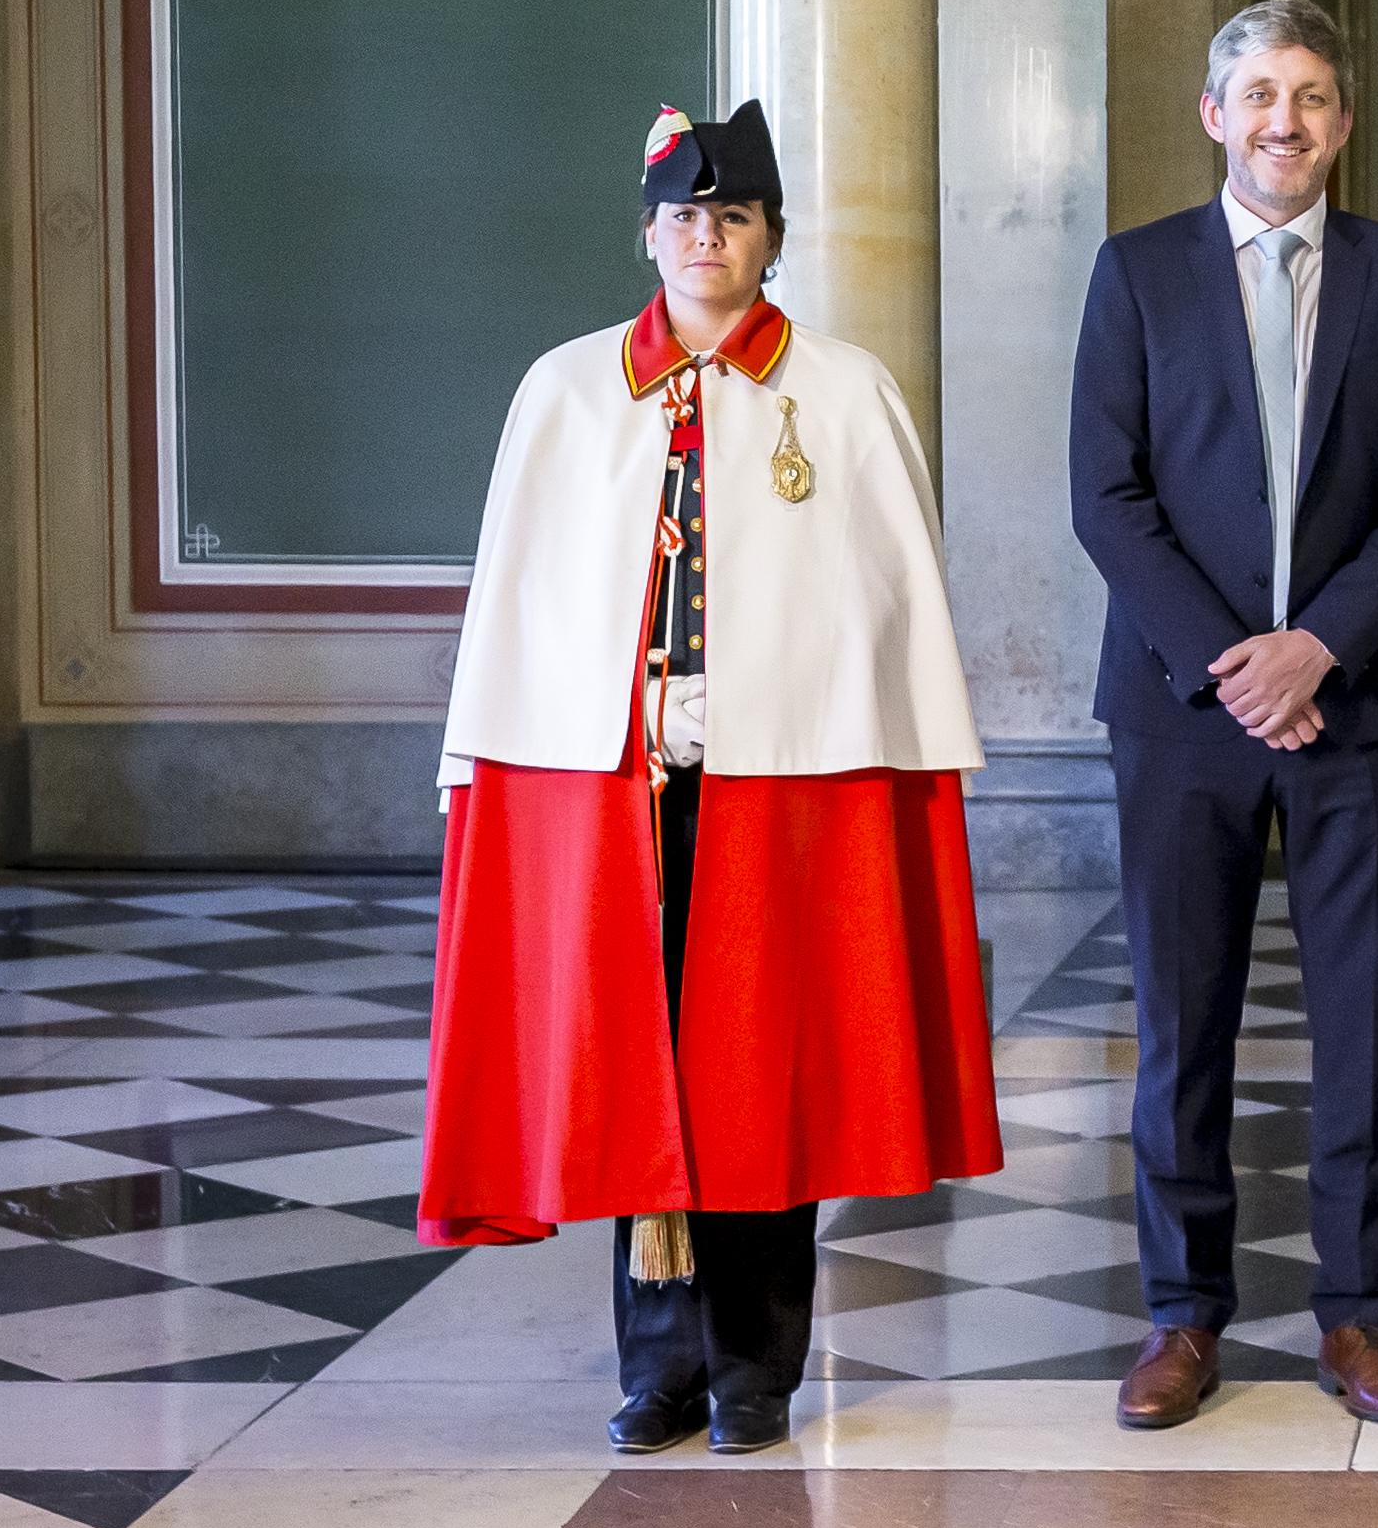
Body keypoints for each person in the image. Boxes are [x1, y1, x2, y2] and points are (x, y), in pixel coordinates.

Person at [421, 98, 1002, 1456]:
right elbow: (519, 602)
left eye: (733, 216)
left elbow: (891, 606)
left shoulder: (843, 391)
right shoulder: (564, 392)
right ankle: (656, 1368)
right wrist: (486, 767)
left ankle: (756, 1368)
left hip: (784, 789)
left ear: (771, 239)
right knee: (632, 1068)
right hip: (611, 792)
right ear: (648, 232)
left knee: (765, 1075)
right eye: (685, 214)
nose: (707, 236)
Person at [1071, 0, 1378, 1431]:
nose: (1283, 121)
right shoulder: (1137, 275)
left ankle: (1359, 1314)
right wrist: (1236, 662)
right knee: (1185, 1021)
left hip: (1358, 704)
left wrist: (1315, 649)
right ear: (1214, 114)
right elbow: (1105, 500)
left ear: (1343, 121)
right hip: (1183, 708)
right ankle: (1183, 1317)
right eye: (1257, 95)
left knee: (1363, 1022)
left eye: (1309, 95)